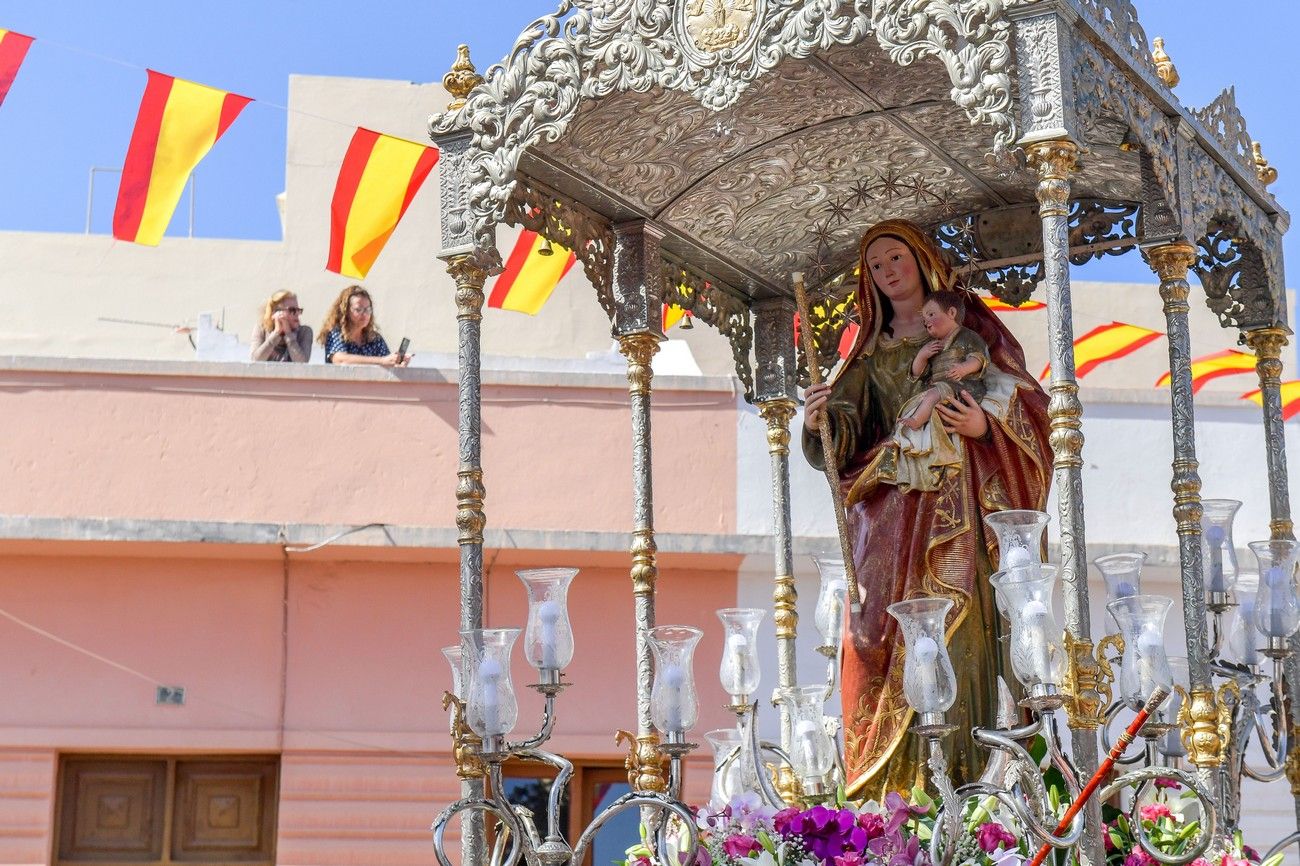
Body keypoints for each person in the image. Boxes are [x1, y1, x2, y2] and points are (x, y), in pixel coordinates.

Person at [802, 219, 1052, 800]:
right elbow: (843, 436)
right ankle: (892, 800)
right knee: (878, 638)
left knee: (958, 636)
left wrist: (986, 426)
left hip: (962, 510)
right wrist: (821, 420)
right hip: (892, 523)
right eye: (877, 265)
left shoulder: (971, 329)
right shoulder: (870, 354)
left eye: (896, 258)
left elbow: (1032, 406)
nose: (888, 271)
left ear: (919, 260)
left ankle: (964, 797)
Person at [886, 289, 993, 493]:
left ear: (951, 313)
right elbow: (918, 374)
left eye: (931, 314)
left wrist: (964, 368)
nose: (926, 322)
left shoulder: (966, 336)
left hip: (963, 389)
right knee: (914, 405)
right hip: (941, 390)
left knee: (932, 395)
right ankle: (905, 440)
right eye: (924, 318)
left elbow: (978, 359)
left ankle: (916, 423)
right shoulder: (933, 346)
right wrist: (921, 357)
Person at [318, 285, 411, 366]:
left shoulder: (375, 338)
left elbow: (387, 365)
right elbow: (340, 360)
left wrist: (397, 363)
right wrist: (381, 361)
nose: (365, 314)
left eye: (368, 309)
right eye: (358, 309)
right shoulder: (336, 333)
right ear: (345, 312)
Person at [250, 291, 312, 362]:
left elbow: (302, 362)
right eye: (292, 310)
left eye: (298, 310)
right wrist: (276, 333)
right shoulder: (261, 329)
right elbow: (255, 360)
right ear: (275, 313)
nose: (297, 314)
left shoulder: (304, 332)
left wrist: (288, 334)